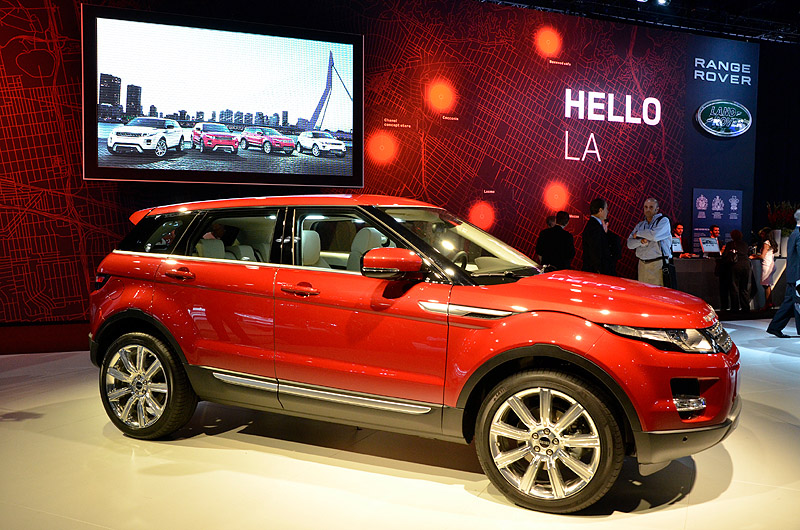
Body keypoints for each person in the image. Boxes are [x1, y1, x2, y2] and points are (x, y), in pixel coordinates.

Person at [767, 209, 800, 338]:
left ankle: (775, 327)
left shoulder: (794, 233)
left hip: (793, 274)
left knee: (790, 302)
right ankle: (775, 327)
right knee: (794, 302)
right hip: (798, 275)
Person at [626, 198, 672, 286]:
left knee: (657, 295)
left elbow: (654, 236)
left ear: (657, 209)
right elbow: (630, 244)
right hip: (642, 265)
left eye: (651, 207)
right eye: (645, 207)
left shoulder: (663, 221)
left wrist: (638, 234)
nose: (647, 210)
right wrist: (640, 242)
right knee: (643, 295)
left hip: (657, 265)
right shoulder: (640, 225)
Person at [721, 230, 753, 311]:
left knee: (734, 287)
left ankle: (735, 308)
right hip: (746, 266)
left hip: (735, 266)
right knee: (744, 287)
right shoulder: (745, 244)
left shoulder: (730, 244)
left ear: (732, 236)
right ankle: (745, 307)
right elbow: (748, 253)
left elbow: (725, 255)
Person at [581, 198, 612, 274]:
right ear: (600, 210)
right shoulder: (594, 227)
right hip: (595, 272)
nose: (607, 211)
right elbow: (595, 251)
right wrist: (598, 270)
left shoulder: (594, 225)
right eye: (606, 209)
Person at [751, 227, 778, 310]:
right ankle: (770, 302)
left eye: (762, 234)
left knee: (766, 286)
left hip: (767, 265)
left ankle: (767, 304)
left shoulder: (766, 243)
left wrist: (754, 257)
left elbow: (762, 256)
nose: (761, 236)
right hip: (771, 264)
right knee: (767, 285)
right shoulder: (771, 243)